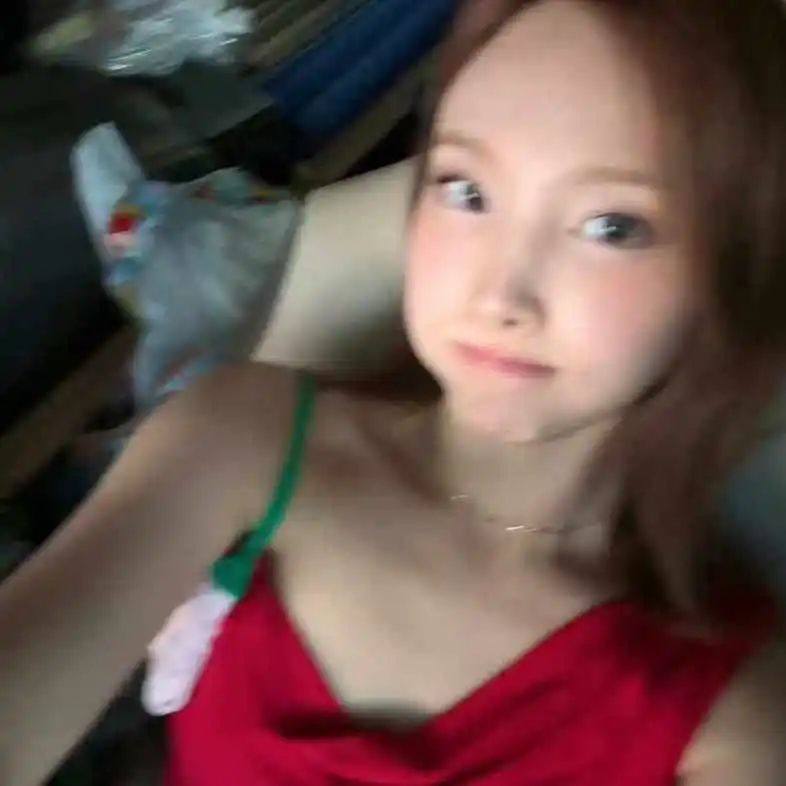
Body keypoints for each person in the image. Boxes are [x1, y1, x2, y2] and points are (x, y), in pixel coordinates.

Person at [2, 1, 786, 784]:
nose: (499, 295)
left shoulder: (734, 708)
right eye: (466, 190)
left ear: (737, 264)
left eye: (612, 227)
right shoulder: (241, 441)